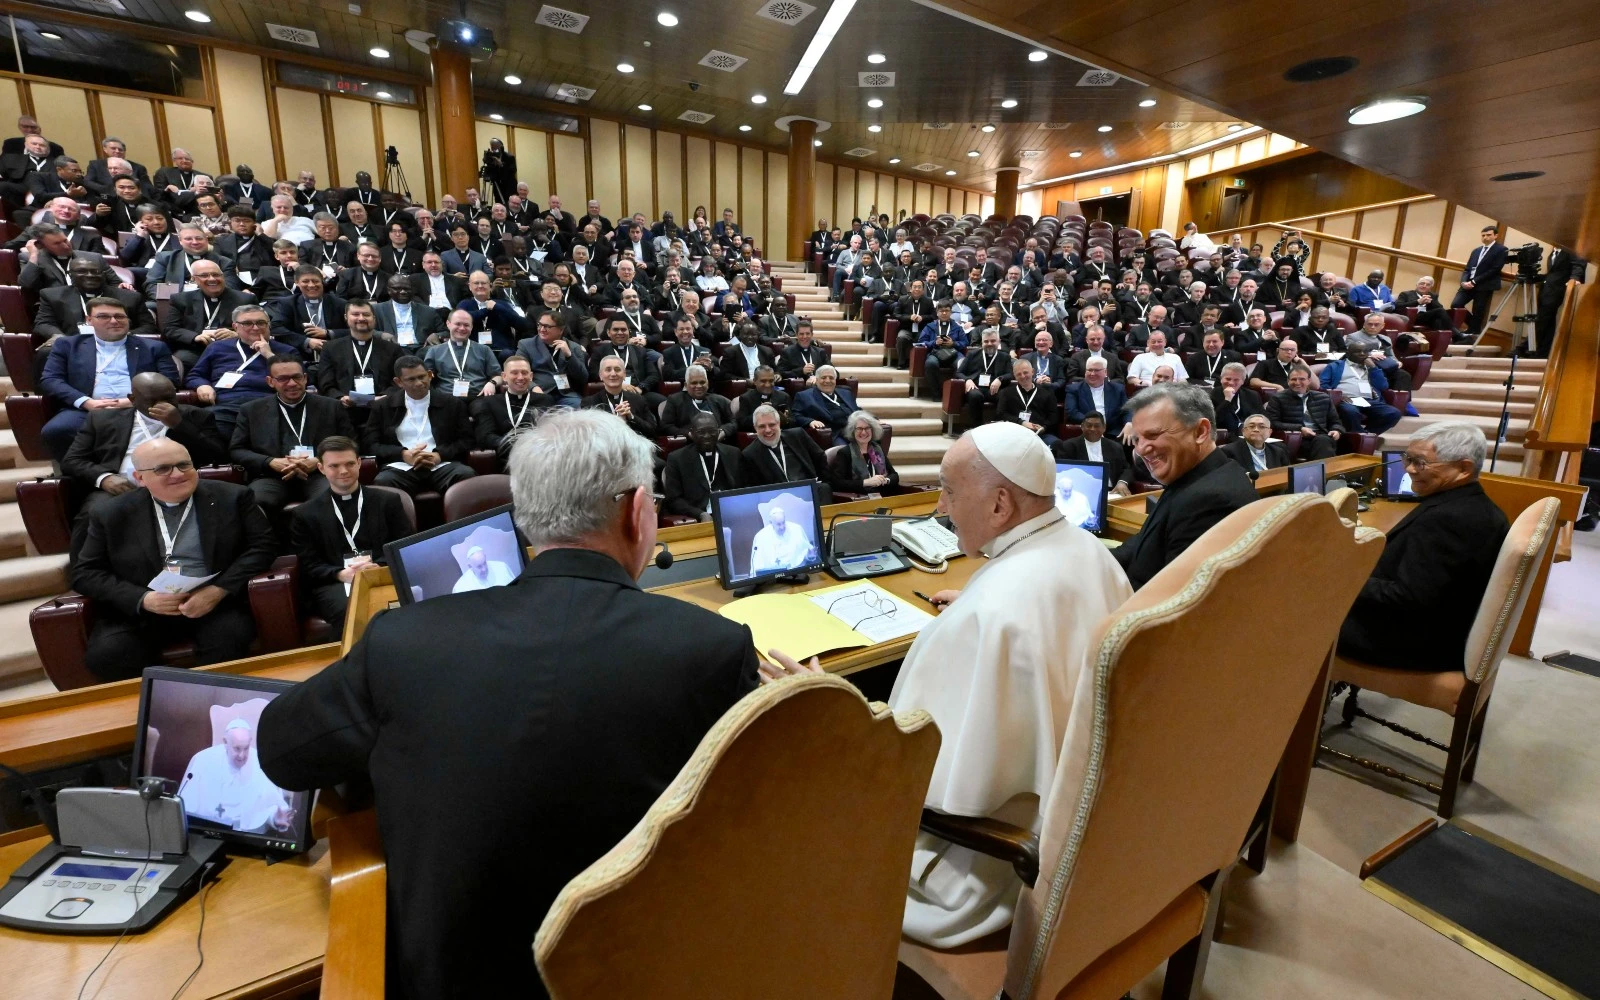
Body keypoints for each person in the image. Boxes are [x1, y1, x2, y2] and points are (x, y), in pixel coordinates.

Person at [257, 411, 760, 998]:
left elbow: (283, 751)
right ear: (637, 510)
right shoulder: (713, 648)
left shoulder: (403, 641)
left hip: (449, 977)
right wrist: (806, 696)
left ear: (524, 516)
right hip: (632, 970)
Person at [879, 422, 1129, 946]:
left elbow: (907, 767)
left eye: (948, 491)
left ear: (999, 506)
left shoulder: (994, 617)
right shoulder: (1094, 554)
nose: (940, 508)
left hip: (992, 868)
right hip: (1086, 835)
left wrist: (826, 702)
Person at [72, 438, 277, 681]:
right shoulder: (110, 513)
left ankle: (215, 707)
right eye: (163, 469)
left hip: (213, 603)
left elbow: (264, 546)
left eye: (184, 465)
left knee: (228, 639)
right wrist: (143, 599)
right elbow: (85, 573)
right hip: (144, 608)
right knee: (108, 654)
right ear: (139, 478)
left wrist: (218, 590)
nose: (178, 474)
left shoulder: (232, 497)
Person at [1339, 422, 1509, 672]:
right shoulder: (1475, 506)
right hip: (1432, 628)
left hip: (1409, 642)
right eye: (1408, 459)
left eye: (1420, 462)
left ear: (1464, 468)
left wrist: (1340, 579)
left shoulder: (1449, 519)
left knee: (1290, 609)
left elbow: (1410, 597)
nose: (1408, 469)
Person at [62, 372, 229, 551]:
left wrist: (179, 425)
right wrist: (104, 478)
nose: (164, 405)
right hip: (122, 488)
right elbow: (72, 460)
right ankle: (84, 574)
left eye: (169, 398)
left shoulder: (196, 416)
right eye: (154, 400)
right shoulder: (102, 419)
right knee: (93, 512)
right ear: (133, 399)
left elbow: (218, 456)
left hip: (177, 484)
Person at [1114, 382, 1258, 589]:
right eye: (1137, 439)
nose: (1142, 449)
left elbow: (1173, 602)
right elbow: (1146, 542)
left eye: (1153, 435)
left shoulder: (1210, 500)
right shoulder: (1198, 475)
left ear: (1200, 431)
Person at [288, 436, 413, 629]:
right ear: (321, 468)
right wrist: (341, 574)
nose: (344, 471)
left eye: (349, 464)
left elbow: (404, 545)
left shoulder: (388, 501)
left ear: (360, 463)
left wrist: (378, 567)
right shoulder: (305, 513)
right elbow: (309, 564)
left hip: (384, 573)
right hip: (335, 582)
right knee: (353, 612)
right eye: (334, 466)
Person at [38, 296, 180, 461]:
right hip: (87, 408)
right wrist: (87, 402)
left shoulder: (154, 347)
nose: (114, 321)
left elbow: (171, 381)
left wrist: (135, 401)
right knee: (56, 430)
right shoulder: (68, 345)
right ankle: (81, 476)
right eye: (104, 316)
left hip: (139, 408)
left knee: (179, 423)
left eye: (120, 316)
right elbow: (50, 380)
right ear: (89, 320)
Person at [231, 353, 356, 516]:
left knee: (332, 496)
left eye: (297, 377)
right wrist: (270, 462)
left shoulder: (331, 407)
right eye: (283, 379)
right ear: (270, 382)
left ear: (305, 378)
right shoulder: (251, 410)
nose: (292, 383)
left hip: (319, 473)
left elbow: (351, 442)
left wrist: (319, 460)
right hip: (272, 477)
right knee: (256, 501)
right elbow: (237, 450)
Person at [364, 357, 478, 496]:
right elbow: (371, 444)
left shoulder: (452, 404)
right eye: (411, 379)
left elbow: (467, 441)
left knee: (466, 475)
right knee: (384, 481)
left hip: (442, 463)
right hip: (401, 466)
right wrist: (403, 454)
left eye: (422, 377)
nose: (419, 383)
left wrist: (439, 454)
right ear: (398, 382)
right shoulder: (382, 406)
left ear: (430, 375)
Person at [178, 719, 297, 833]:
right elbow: (187, 807)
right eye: (237, 749)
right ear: (225, 742)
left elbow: (268, 807)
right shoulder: (204, 760)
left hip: (247, 835)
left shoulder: (259, 762)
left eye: (246, 748)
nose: (242, 755)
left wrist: (274, 819)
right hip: (209, 834)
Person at [662, 411, 743, 520]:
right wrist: (699, 514)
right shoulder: (677, 459)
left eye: (712, 431)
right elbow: (673, 499)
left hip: (731, 513)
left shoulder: (733, 453)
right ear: (692, 433)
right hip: (698, 516)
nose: (707, 436)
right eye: (701, 432)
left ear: (719, 431)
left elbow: (743, 488)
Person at [741, 404, 829, 493]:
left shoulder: (798, 436)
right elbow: (753, 488)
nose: (768, 430)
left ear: (779, 424)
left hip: (808, 489)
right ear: (755, 428)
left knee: (824, 488)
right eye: (762, 426)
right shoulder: (749, 454)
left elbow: (820, 457)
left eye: (771, 425)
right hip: (778, 498)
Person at [1321, 344, 1402, 435]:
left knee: (1394, 413)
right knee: (1350, 411)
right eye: (1358, 351)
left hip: (1369, 400)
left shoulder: (1371, 367)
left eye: (1365, 351)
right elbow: (1323, 385)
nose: (1362, 354)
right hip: (1347, 400)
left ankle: (1366, 434)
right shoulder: (1334, 366)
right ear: (1348, 353)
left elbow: (1383, 386)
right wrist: (1339, 396)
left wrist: (1373, 368)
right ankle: (1358, 435)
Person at [1265, 364, 1342, 460]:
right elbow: (1272, 423)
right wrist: (1300, 429)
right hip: (1296, 438)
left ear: (1309, 381)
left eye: (1302, 379)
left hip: (1321, 436)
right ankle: (1324, 473)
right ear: (1288, 381)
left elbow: (1335, 422)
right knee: (1323, 444)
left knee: (1323, 440)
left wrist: (1337, 431)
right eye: (1293, 379)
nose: (1297, 382)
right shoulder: (1277, 398)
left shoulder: (1323, 398)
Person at [423, 308, 503, 396]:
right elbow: (428, 375)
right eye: (458, 324)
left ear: (471, 327)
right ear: (448, 324)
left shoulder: (484, 350)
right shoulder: (435, 351)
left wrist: (492, 383)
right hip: (446, 398)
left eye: (466, 325)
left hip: (478, 397)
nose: (462, 328)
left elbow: (498, 376)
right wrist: (428, 377)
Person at [1052, 412, 1130, 495]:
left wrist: (1122, 482)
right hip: (1081, 491)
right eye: (1089, 425)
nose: (1092, 429)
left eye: (1097, 426)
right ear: (1082, 427)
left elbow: (1127, 469)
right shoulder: (1069, 446)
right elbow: (1064, 473)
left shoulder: (1115, 447)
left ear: (1104, 428)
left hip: (1112, 491)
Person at [582, 355, 658, 438]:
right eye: (608, 370)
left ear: (624, 374)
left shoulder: (638, 399)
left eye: (617, 370)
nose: (613, 374)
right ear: (600, 375)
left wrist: (631, 416)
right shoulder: (589, 402)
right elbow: (587, 435)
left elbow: (652, 431)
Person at [1452, 226, 1507, 339]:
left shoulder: (1501, 249)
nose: (1485, 237)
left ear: (1495, 236)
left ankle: (1474, 330)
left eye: (1488, 235)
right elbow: (1467, 268)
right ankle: (1474, 326)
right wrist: (1463, 281)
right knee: (1456, 304)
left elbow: (1495, 269)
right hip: (1468, 284)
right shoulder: (1476, 251)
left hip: (1484, 284)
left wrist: (1474, 281)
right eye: (1483, 235)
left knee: (1478, 309)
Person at [828, 409, 898, 494]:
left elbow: (894, 476)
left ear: (872, 430)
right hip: (860, 499)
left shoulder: (877, 449)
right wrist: (866, 482)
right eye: (859, 429)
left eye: (867, 428)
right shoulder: (845, 453)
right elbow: (837, 484)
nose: (863, 432)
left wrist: (885, 480)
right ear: (853, 431)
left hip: (883, 495)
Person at [660, 364, 736, 440]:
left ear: (708, 383)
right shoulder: (675, 400)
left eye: (702, 382)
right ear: (686, 385)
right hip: (689, 446)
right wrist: (688, 434)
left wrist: (723, 431)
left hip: (718, 443)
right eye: (694, 383)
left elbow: (733, 422)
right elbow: (666, 426)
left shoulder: (720, 400)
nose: (699, 386)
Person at [1535, 246, 1586, 354]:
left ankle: (1539, 349)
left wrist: (1575, 278)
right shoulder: (1554, 252)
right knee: (1545, 320)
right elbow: (1554, 272)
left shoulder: (1570, 249)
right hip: (1547, 289)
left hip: (1558, 290)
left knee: (1544, 318)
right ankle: (1543, 349)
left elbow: (1578, 264)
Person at [792, 366, 858, 446]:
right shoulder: (804, 396)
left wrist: (873, 419)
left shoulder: (846, 393)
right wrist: (810, 421)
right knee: (844, 451)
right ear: (816, 380)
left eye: (831, 378)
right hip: (834, 434)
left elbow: (857, 410)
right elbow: (795, 415)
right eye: (823, 378)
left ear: (835, 380)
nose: (827, 381)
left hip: (855, 430)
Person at [1065, 356, 1128, 437]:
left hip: (1114, 432)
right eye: (1089, 370)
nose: (1092, 374)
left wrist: (1129, 423)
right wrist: (1095, 425)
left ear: (1105, 372)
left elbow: (1127, 410)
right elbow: (1072, 413)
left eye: (1097, 370)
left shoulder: (1118, 389)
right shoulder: (1074, 389)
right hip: (1087, 431)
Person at [749, 503, 813, 574]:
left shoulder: (796, 529)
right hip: (772, 576)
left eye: (783, 523)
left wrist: (809, 555)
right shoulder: (761, 537)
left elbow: (804, 553)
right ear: (771, 523)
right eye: (778, 524)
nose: (782, 527)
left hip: (795, 573)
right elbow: (757, 565)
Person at [1222, 413, 1290, 473]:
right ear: (1243, 431)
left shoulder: (1278, 452)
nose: (1256, 429)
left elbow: (1286, 477)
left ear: (1269, 432)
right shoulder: (1229, 452)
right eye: (1251, 426)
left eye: (1262, 427)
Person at [1210, 362, 1265, 436]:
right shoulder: (1211, 395)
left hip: (1249, 436)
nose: (1231, 383)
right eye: (1228, 379)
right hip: (1223, 437)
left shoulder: (1252, 395)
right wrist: (1227, 400)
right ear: (1221, 379)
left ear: (1243, 381)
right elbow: (1213, 421)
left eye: (1236, 380)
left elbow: (1262, 418)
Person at [452, 546, 517, 592]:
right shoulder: (461, 587)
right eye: (479, 566)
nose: (484, 569)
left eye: (484, 563)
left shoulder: (502, 567)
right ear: (470, 566)